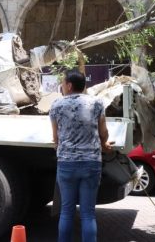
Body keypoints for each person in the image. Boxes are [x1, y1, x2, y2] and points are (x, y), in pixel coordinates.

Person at [49, 69, 112, 242]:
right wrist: (104, 143)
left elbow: (56, 137)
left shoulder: (56, 105)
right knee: (88, 214)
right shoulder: (97, 103)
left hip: (66, 164)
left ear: (69, 85)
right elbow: (103, 133)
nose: (61, 86)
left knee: (67, 211)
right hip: (91, 163)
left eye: (62, 83)